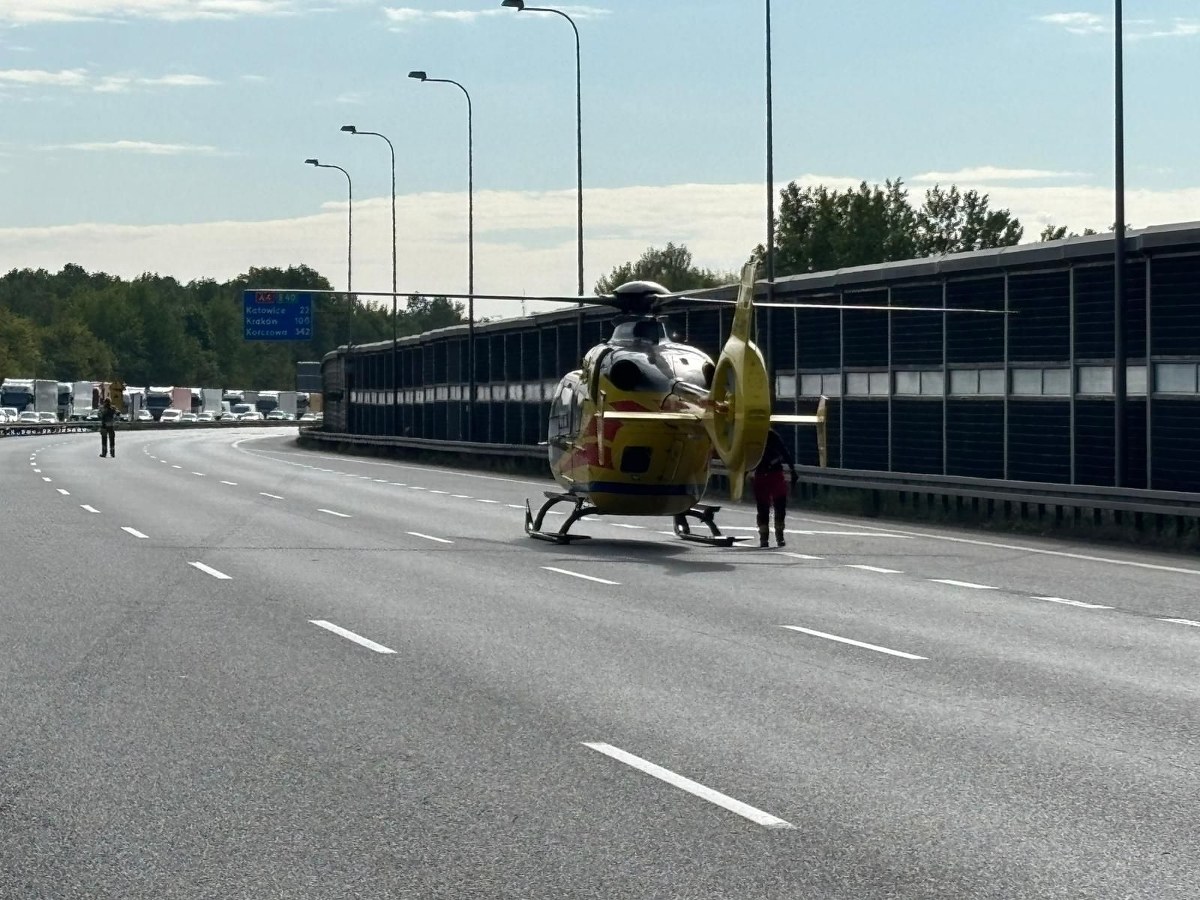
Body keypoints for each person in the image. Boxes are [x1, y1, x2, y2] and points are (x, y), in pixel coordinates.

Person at [752, 428, 798, 548]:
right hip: (762, 475)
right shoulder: (752, 436)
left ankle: (779, 536)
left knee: (780, 506)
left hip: (774, 474)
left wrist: (792, 469)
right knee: (763, 508)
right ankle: (764, 537)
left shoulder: (772, 435)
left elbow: (784, 452)